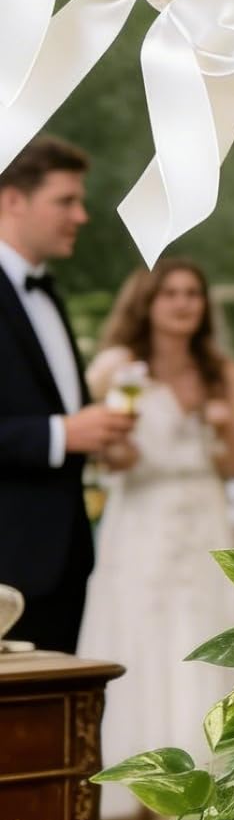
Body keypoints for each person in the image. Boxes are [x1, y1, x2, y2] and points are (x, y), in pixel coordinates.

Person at [77, 259, 234, 820]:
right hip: (142, 514)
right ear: (146, 302)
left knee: (206, 629)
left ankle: (207, 770)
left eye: (193, 294)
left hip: (203, 512)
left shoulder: (220, 369)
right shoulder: (116, 367)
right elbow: (108, 457)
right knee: (139, 628)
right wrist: (118, 440)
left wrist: (225, 426)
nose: (182, 304)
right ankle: (136, 772)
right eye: (170, 293)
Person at [0, 136, 133, 652]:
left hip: (66, 561)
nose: (81, 216)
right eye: (65, 201)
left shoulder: (47, 290)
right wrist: (62, 433)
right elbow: (53, 428)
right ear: (13, 199)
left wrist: (95, 432)